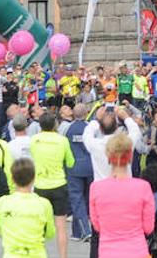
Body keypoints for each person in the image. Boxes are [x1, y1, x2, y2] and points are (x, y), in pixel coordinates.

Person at [88, 131, 155, 258]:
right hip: (137, 250)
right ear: (130, 156)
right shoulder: (143, 187)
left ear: (108, 156)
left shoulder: (96, 188)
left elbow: (97, 225)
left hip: (108, 251)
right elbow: (148, 227)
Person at [29, 111, 73, 258]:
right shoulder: (62, 140)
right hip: (59, 184)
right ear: (55, 124)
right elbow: (70, 163)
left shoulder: (34, 140)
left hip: (40, 186)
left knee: (39, 226)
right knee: (60, 226)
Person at [0, 158, 56, 258]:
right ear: (33, 178)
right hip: (37, 254)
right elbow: (50, 233)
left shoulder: (1, 203)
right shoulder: (44, 204)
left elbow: (0, 228)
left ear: (13, 179)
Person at [64, 103, 93, 242]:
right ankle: (77, 232)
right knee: (86, 199)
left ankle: (85, 230)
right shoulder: (89, 128)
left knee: (77, 200)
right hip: (90, 167)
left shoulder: (68, 129)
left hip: (74, 167)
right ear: (86, 113)